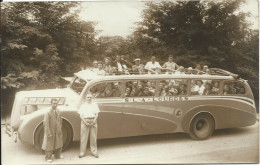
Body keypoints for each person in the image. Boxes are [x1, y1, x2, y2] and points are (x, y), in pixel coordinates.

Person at [78, 93, 100, 158]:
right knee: (83, 138)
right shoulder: (83, 106)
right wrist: (85, 122)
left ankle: (94, 152)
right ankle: (82, 153)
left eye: (90, 97)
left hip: (93, 121)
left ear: (92, 98)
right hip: (85, 121)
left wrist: (93, 121)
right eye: (88, 97)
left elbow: (97, 114)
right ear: (86, 98)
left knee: (93, 138)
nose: (89, 98)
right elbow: (81, 115)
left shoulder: (95, 105)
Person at [42, 98, 63, 163]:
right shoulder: (48, 112)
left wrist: (60, 129)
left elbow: (60, 120)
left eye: (56, 103)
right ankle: (48, 157)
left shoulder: (58, 111)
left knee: (58, 143)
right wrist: (48, 133)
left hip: (57, 131)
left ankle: (57, 155)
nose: (55, 105)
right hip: (50, 131)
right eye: (54, 103)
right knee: (49, 144)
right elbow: (46, 123)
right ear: (51, 104)